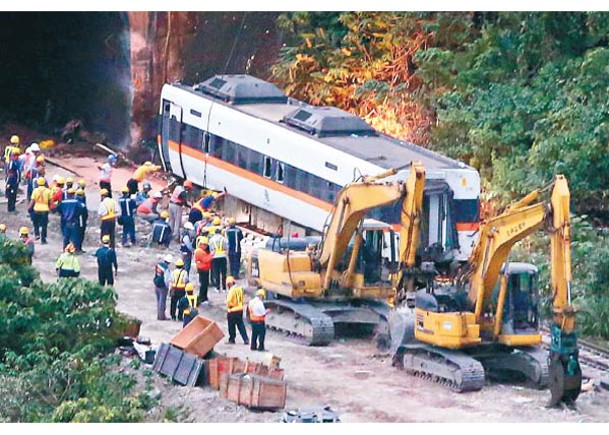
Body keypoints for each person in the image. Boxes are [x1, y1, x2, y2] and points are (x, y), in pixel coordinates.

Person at [225, 276, 249, 345]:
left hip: (232, 310)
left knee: (231, 326)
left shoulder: (231, 290)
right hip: (240, 309)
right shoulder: (239, 289)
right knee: (240, 324)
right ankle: (245, 339)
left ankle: (232, 339)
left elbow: (229, 300)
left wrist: (229, 306)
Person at [29, 177, 52, 244]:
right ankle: (43, 239)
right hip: (45, 210)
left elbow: (32, 201)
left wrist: (29, 208)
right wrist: (51, 208)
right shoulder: (48, 191)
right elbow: (51, 201)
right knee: (44, 225)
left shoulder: (35, 191)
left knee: (35, 223)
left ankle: (37, 234)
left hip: (36, 209)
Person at [153, 254, 173, 321]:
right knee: (162, 302)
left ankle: (159, 315)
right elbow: (166, 280)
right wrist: (168, 287)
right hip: (162, 286)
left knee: (158, 301)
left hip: (156, 284)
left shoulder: (158, 265)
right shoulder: (166, 269)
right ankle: (162, 317)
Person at [194, 237, 213, 304]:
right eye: (204, 245)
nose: (205, 246)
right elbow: (205, 259)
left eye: (206, 245)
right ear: (201, 244)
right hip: (203, 269)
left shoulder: (201, 251)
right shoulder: (200, 251)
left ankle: (204, 297)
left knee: (205, 284)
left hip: (204, 268)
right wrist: (212, 255)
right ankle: (202, 298)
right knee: (204, 284)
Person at [210, 226, 228, 291]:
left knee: (216, 272)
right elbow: (226, 247)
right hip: (223, 256)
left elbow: (210, 249)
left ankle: (217, 287)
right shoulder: (224, 239)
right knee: (223, 273)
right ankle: (224, 288)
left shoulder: (211, 239)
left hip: (215, 257)